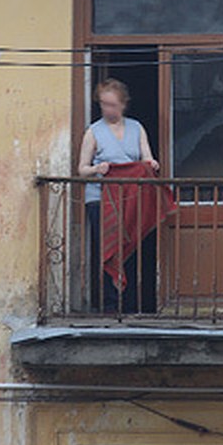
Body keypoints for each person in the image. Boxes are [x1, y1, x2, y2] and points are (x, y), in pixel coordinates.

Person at [77, 78, 159, 313]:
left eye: (112, 104)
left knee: (131, 247)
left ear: (123, 104)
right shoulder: (93, 132)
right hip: (102, 198)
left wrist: (151, 164)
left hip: (132, 198)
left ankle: (131, 303)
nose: (107, 109)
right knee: (107, 250)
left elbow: (146, 158)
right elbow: (81, 169)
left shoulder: (136, 128)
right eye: (103, 104)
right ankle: (110, 304)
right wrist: (96, 169)